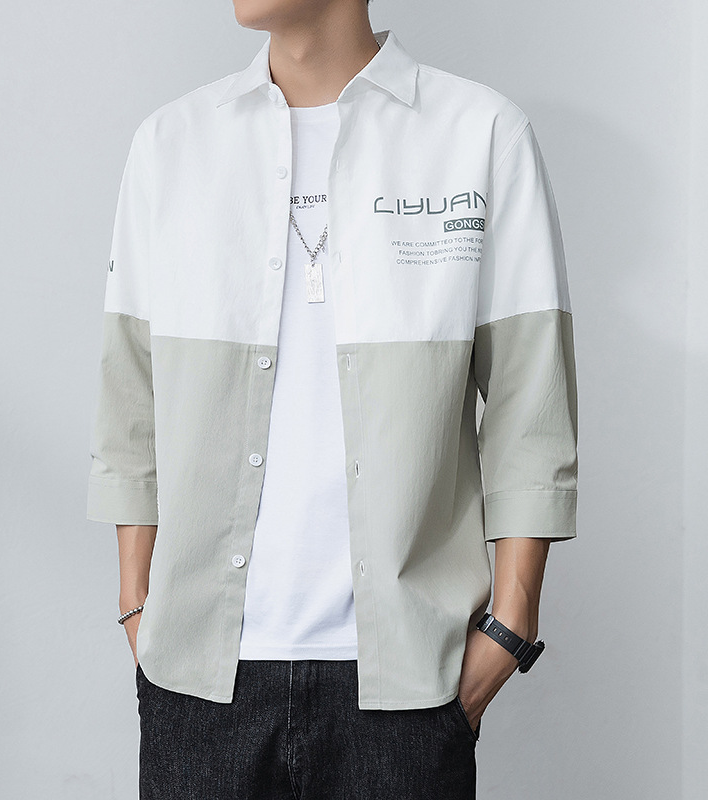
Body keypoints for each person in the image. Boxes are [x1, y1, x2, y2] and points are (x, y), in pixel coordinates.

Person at [86, 0, 578, 797]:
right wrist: (136, 601)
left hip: (407, 683)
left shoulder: (480, 135)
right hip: (198, 683)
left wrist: (512, 621)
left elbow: (531, 400)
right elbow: (129, 393)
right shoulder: (171, 145)